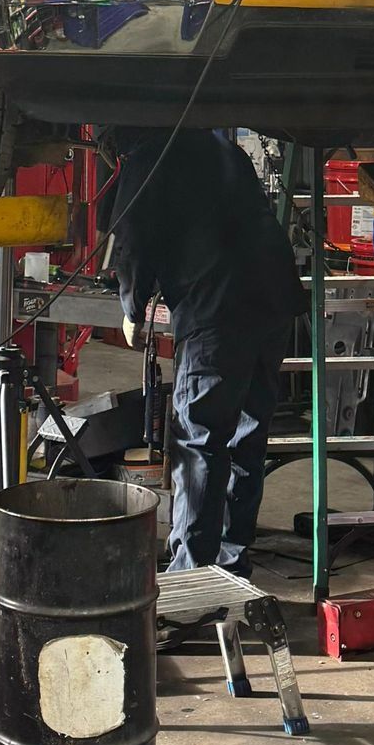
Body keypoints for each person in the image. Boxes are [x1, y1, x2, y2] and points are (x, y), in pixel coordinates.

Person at [103, 128, 300, 573]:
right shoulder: (222, 147)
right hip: (273, 299)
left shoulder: (145, 156)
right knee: (246, 435)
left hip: (217, 307)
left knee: (200, 440)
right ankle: (230, 561)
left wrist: (132, 307)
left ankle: (191, 576)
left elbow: (132, 242)